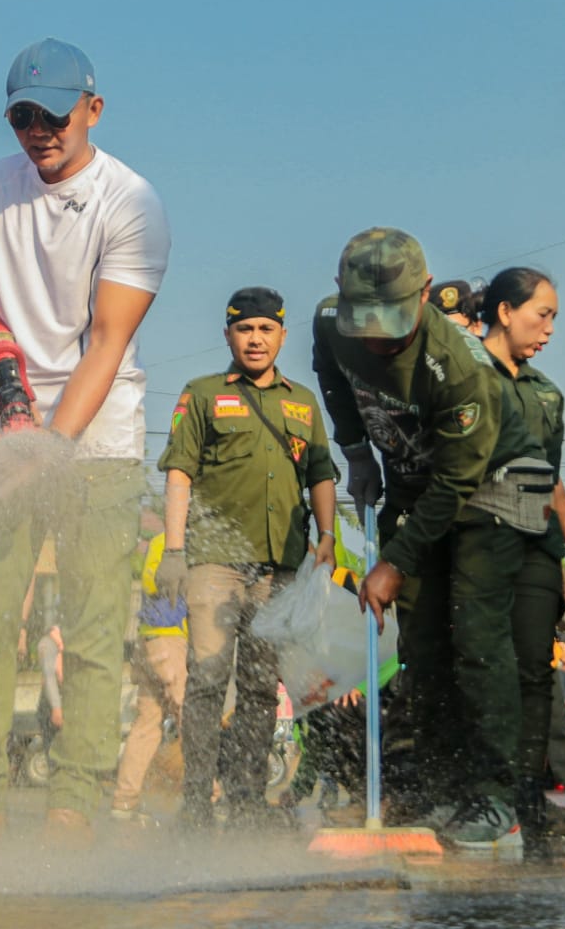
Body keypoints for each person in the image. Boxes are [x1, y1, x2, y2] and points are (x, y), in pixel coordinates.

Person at [0, 37, 171, 839]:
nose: (39, 130)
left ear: (92, 109)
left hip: (97, 436)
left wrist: (46, 447)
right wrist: (6, 402)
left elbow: (105, 343)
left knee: (94, 624)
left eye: (54, 115)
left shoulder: (130, 201)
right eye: (22, 117)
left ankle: (76, 797)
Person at [312, 227, 544, 851]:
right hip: (417, 486)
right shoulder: (333, 321)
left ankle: (497, 799)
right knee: (422, 646)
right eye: (367, 315)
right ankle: (445, 789)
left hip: (491, 486)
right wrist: (356, 448)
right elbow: (331, 374)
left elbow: (458, 481)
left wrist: (394, 561)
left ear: (422, 294)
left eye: (393, 317)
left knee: (474, 637)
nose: (378, 333)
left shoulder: (461, 369)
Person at [156, 286, 336, 830]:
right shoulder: (203, 394)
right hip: (215, 561)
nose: (255, 339)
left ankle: (247, 797)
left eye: (265, 329)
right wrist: (175, 550)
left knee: (261, 686)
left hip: (278, 567)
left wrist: (327, 536)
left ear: (281, 334)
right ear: (228, 334)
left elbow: (322, 475)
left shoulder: (303, 402)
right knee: (208, 678)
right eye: (244, 329)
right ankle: (196, 801)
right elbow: (179, 473)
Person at [478, 267, 565, 837]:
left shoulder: (547, 391)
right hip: (476, 541)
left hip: (536, 549)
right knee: (480, 670)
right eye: (540, 314)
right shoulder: (465, 377)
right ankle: (480, 796)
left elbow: (549, 476)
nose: (548, 329)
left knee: (533, 674)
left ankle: (527, 801)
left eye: (553, 318)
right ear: (504, 311)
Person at [110, 532, 187, 826]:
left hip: (151, 641)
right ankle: (211, 794)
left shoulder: (165, 541)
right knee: (190, 716)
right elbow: (152, 580)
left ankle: (124, 802)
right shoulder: (170, 541)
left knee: (146, 725)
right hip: (168, 641)